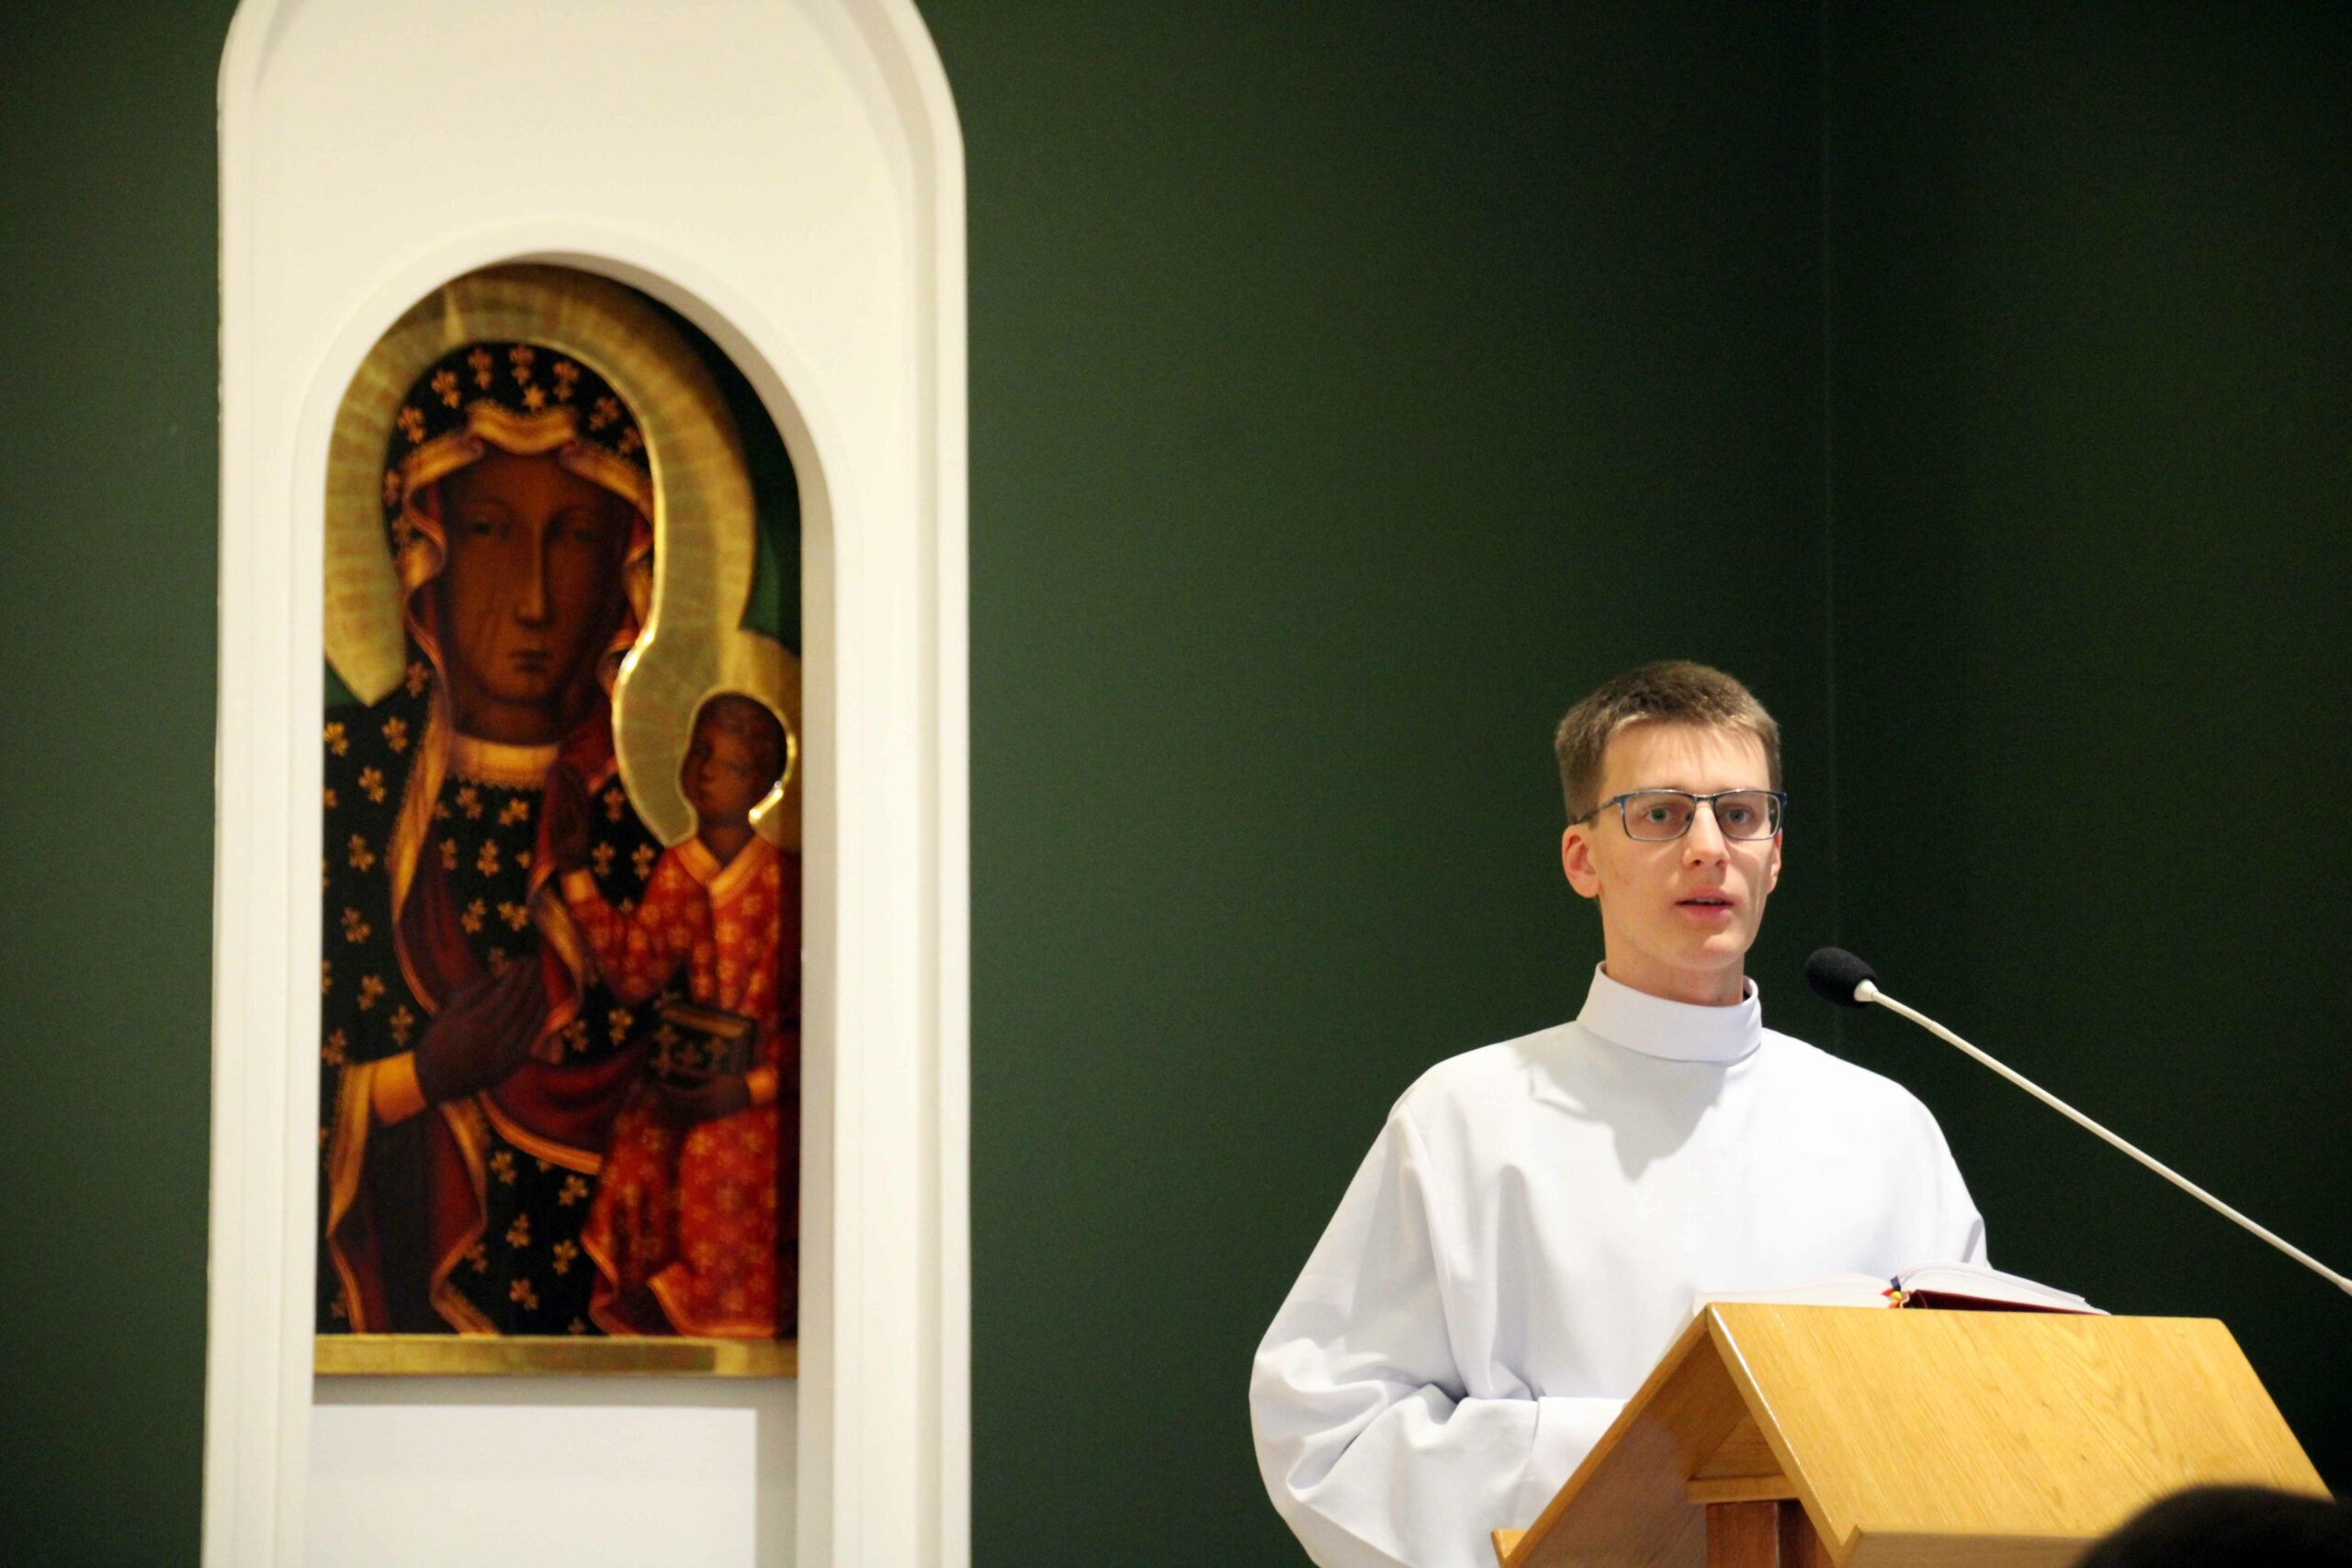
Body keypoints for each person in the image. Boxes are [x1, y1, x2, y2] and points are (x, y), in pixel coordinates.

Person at [1249, 660, 1985, 1568]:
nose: (1708, 847)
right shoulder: (1462, 1117)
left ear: (1775, 854)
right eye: (1660, 814)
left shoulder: (1885, 1129)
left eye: (1740, 814)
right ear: (1582, 858)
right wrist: (1647, 1463)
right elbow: (1327, 1434)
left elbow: (1971, 1419)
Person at [321, 338, 676, 1336]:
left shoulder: (659, 821)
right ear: (422, 550)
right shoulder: (344, 794)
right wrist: (420, 1077)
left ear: (626, 568)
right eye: (487, 530)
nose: (533, 598)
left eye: (574, 538)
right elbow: (243, 1101)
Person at [549, 692, 802, 1337]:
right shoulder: (678, 868)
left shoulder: (785, 881)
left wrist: (746, 1087)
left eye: (732, 764)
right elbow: (635, 971)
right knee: (641, 1145)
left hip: (765, 1091)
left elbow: (811, 1023)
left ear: (765, 784)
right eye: (701, 752)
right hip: (695, 1078)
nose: (708, 772)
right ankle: (653, 1312)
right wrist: (576, 872)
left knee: (720, 1158)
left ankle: (720, 1314)